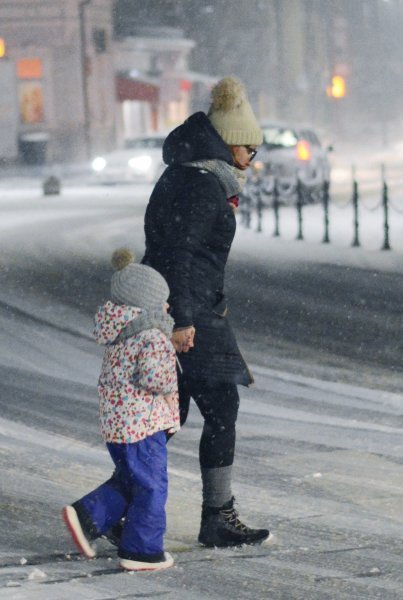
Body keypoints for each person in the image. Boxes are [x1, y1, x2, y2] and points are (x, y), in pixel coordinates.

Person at [141, 76, 270, 547]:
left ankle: (111, 509)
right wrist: (185, 319)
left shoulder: (189, 174)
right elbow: (179, 251)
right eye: (250, 151)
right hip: (189, 313)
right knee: (215, 407)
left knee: (168, 415)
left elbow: (175, 249)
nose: (252, 161)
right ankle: (214, 515)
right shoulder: (201, 185)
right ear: (232, 144)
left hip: (186, 306)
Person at [62, 248, 180, 571]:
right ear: (146, 304)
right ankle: (142, 550)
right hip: (142, 425)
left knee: (132, 481)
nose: (167, 307)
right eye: (163, 301)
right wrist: (172, 378)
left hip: (118, 425)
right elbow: (155, 376)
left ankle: (88, 517)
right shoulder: (152, 335)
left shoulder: (120, 334)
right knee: (151, 485)